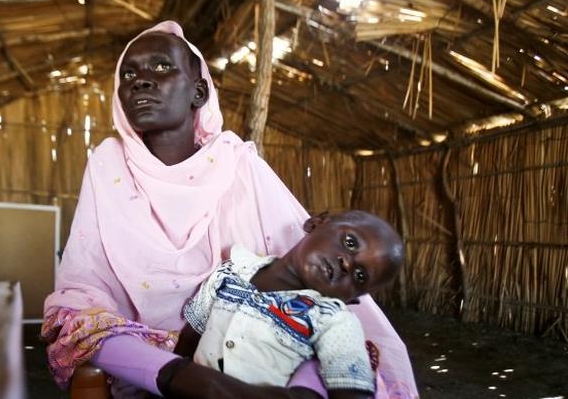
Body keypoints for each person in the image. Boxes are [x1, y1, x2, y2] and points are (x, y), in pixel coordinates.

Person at [42, 20, 418, 399]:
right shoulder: (108, 163)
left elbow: (295, 248)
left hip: (258, 343)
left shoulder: (236, 163)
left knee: (310, 342)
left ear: (199, 91)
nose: (141, 80)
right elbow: (87, 278)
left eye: (161, 67)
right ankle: (190, 378)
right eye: (128, 73)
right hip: (143, 343)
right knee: (82, 321)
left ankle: (208, 383)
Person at [173, 211, 404, 399]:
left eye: (360, 275)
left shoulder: (333, 319)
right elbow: (189, 339)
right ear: (317, 223)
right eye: (350, 242)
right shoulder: (231, 271)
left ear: (352, 298)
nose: (346, 263)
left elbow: (352, 393)